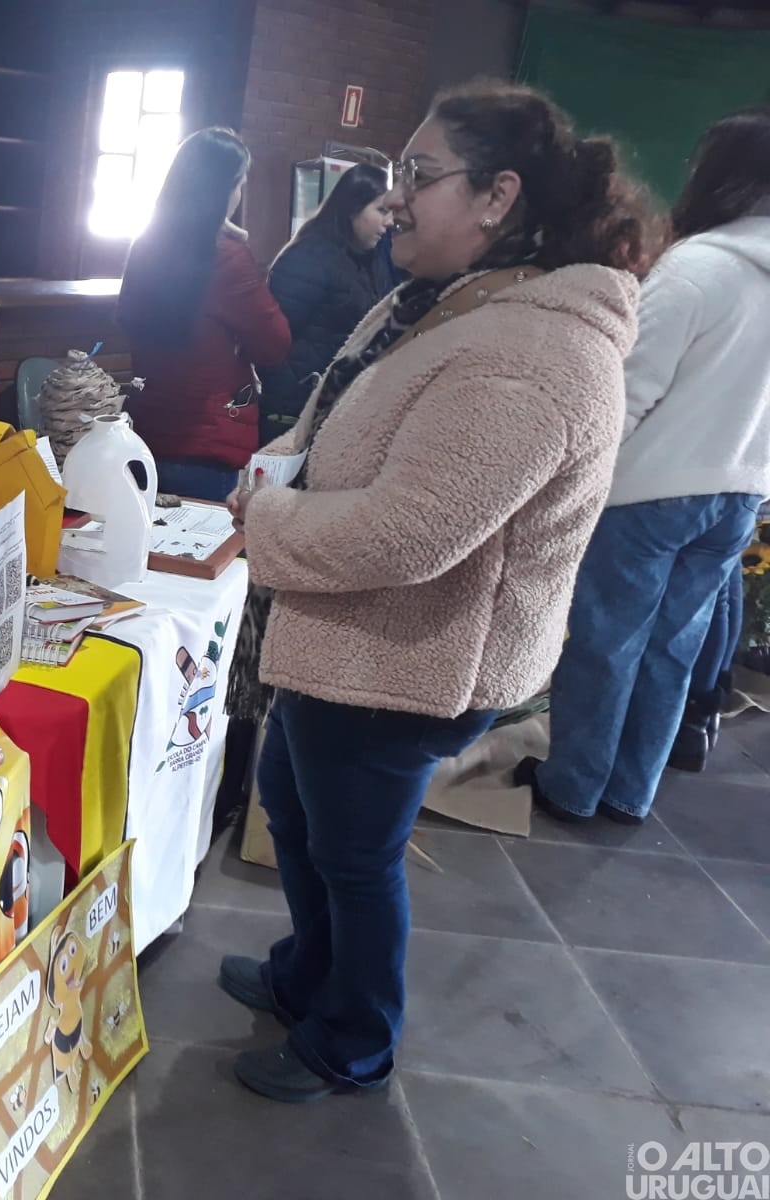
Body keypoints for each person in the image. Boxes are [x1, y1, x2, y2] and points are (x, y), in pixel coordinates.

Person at [221, 83, 656, 1103]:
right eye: (395, 173)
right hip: (354, 639)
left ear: (499, 195)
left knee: (356, 853)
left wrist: (264, 524)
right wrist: (277, 466)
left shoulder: (533, 349)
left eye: (420, 175)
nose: (395, 197)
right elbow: (333, 408)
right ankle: (307, 976)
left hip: (413, 658)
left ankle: (352, 1038)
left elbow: (409, 531)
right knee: (291, 801)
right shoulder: (446, 294)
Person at [521, 108, 770, 814]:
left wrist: (574, 479)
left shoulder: (698, 266)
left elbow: (623, 394)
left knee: (605, 644)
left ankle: (572, 787)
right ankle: (630, 792)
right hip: (741, 490)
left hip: (651, 489)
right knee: (673, 649)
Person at [117, 128, 291, 502]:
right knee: (207, 558)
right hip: (209, 445)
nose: (239, 196)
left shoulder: (146, 246)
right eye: (239, 185)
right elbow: (276, 343)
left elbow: (127, 318)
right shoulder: (226, 258)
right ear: (221, 191)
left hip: (145, 439)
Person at [257, 163, 396, 442]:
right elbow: (268, 339)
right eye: (381, 210)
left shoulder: (374, 259)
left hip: (338, 407)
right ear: (352, 208)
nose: (389, 221)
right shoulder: (309, 257)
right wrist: (296, 392)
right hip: (294, 411)